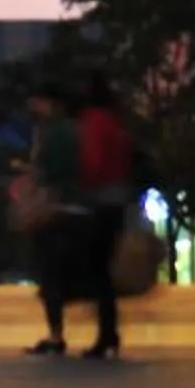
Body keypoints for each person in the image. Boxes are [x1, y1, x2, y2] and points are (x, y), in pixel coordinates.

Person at [74, 73, 137, 361]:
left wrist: (83, 186)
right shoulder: (115, 120)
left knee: (97, 271)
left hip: (100, 200)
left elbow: (93, 161)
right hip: (118, 197)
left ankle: (106, 333)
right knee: (103, 270)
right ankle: (109, 331)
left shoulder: (94, 120)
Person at [24, 83, 85, 356]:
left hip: (54, 210)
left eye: (36, 102)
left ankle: (56, 334)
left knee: (51, 275)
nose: (32, 108)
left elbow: (45, 173)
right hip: (80, 208)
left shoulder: (51, 133)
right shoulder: (75, 129)